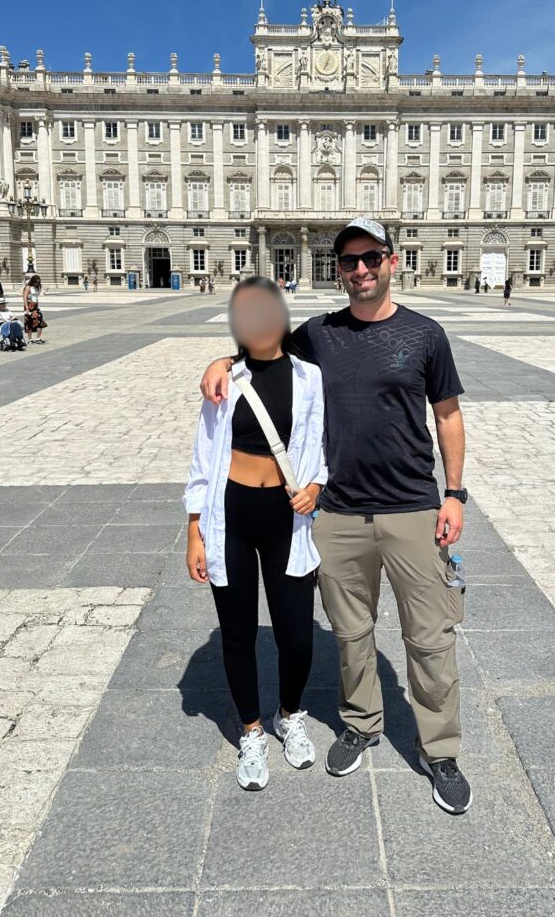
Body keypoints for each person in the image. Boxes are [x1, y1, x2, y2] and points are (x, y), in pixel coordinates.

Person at [200, 217, 472, 814]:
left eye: (371, 257)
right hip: (339, 514)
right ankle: (360, 723)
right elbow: (262, 351)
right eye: (349, 261)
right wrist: (223, 359)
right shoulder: (319, 333)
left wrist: (455, 494)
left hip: (412, 508)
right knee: (352, 635)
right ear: (340, 269)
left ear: (391, 261)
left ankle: (441, 751)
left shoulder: (426, 335)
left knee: (429, 638)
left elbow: (448, 416)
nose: (360, 270)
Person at [184, 277, 328, 792]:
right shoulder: (225, 380)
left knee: (297, 634)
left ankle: (289, 715)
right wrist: (195, 531)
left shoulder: (310, 377)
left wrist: (315, 485)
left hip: (288, 514)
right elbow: (204, 458)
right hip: (232, 514)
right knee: (238, 632)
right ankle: (250, 730)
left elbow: (320, 446)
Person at [23, 275, 47, 344]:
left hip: (35, 306)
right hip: (29, 305)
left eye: (38, 282)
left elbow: (36, 297)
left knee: (39, 320)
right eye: (36, 282)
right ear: (33, 281)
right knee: (29, 321)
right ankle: (30, 339)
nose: (37, 283)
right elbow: (24, 297)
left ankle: (38, 338)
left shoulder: (36, 287)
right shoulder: (28, 287)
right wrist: (26, 307)